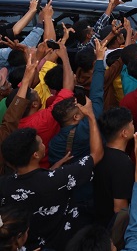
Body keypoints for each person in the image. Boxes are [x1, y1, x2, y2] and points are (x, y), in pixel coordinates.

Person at [0, 93, 104, 250]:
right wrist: (90, 116)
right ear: (35, 155)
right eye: (40, 142)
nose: (43, 144)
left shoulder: (4, 184)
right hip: (62, 243)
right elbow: (96, 155)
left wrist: (51, 169)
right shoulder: (57, 179)